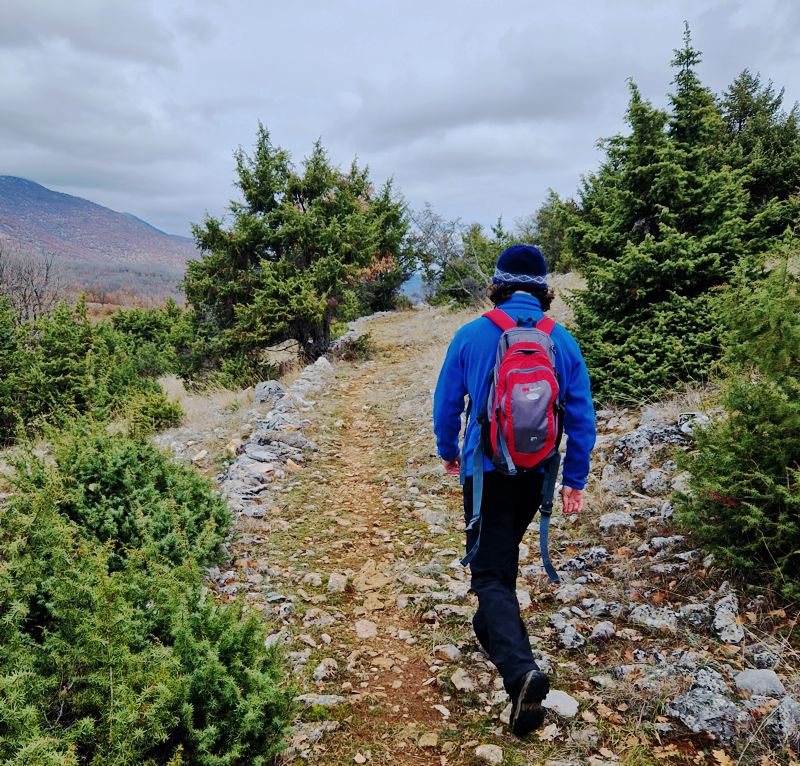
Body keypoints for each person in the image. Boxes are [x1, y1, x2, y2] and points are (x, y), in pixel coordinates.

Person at [433, 244, 596, 736]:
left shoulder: (471, 334)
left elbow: (447, 403)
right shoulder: (560, 340)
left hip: (484, 473)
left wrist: (449, 450)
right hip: (536, 476)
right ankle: (495, 635)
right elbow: (582, 415)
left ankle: (520, 673)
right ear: (543, 289)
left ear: (498, 284)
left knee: (487, 573)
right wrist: (574, 479)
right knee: (500, 560)